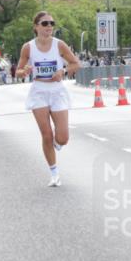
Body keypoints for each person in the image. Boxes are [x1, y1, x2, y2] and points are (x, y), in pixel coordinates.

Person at [16, 11, 81, 186]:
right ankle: (54, 173)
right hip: (39, 90)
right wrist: (25, 71)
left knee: (62, 138)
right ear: (36, 27)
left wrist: (63, 71)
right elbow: (18, 71)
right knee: (46, 134)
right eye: (45, 24)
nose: (49, 27)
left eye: (52, 23)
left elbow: (76, 63)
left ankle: (56, 143)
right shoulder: (28, 47)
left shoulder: (59, 45)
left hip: (57, 91)